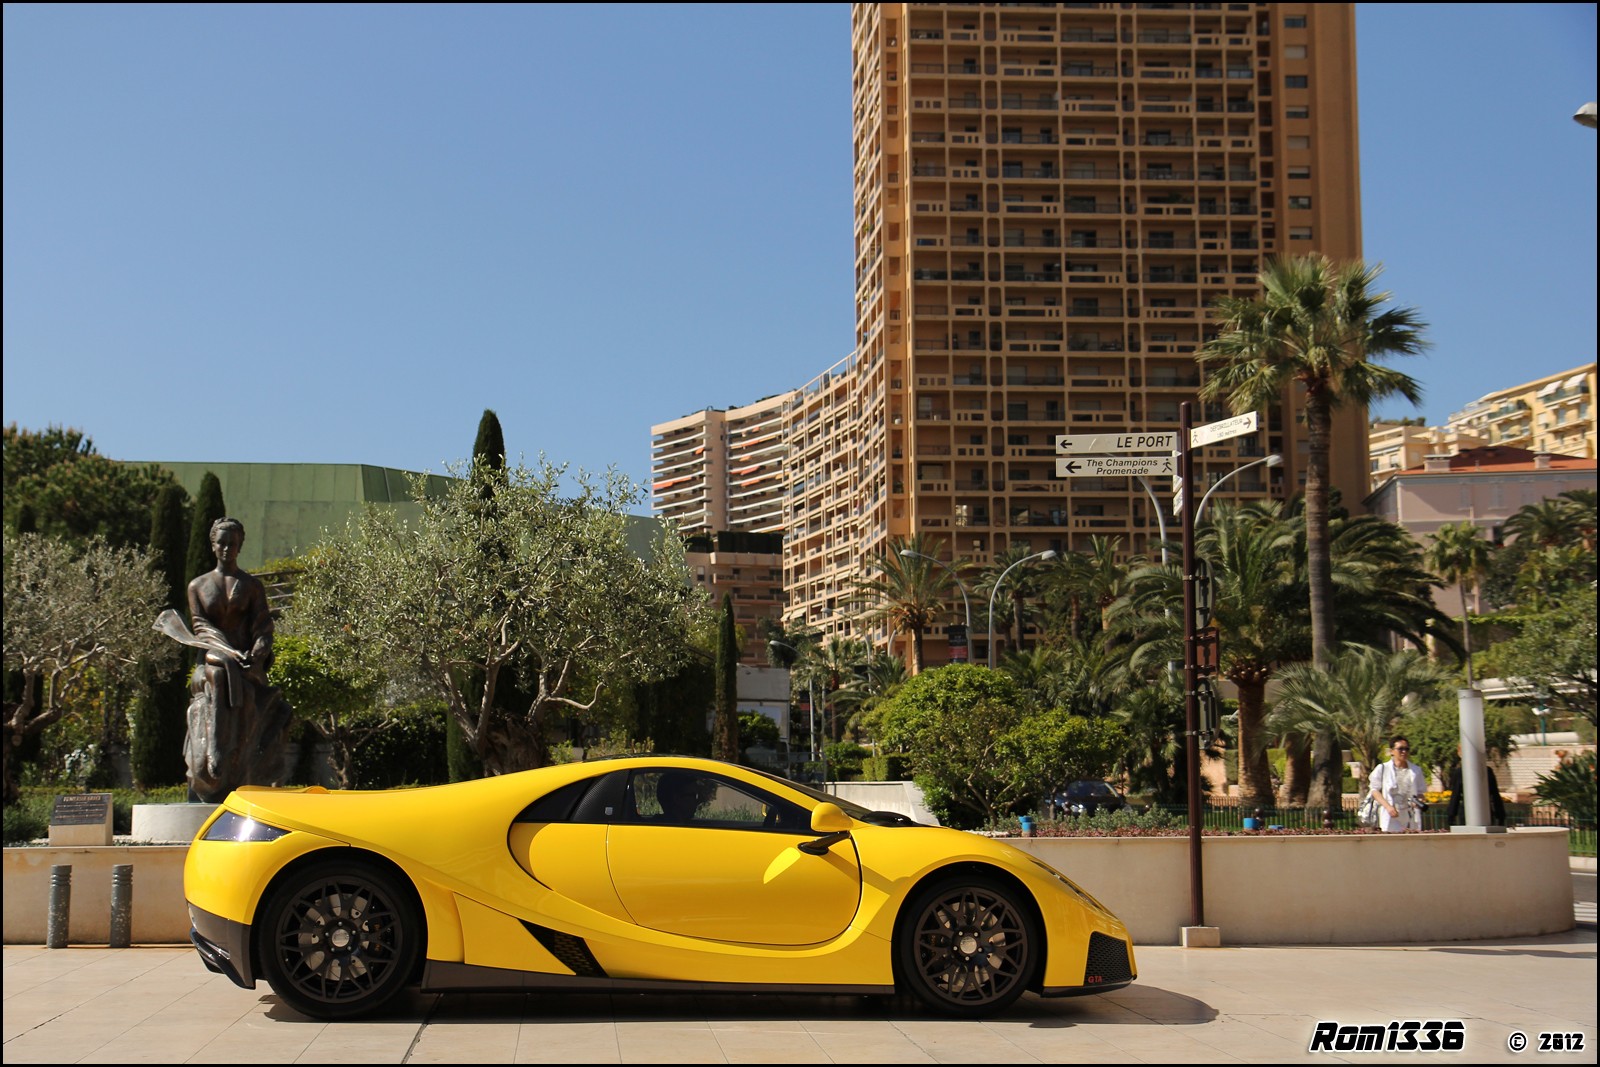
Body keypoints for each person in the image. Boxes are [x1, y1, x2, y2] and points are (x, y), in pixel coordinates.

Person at [184, 517, 292, 801]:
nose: (227, 548)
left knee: (240, 685)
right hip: (210, 660)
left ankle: (236, 764)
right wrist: (225, 650)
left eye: (232, 543)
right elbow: (201, 628)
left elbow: (263, 627)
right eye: (221, 542)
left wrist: (257, 652)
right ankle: (215, 749)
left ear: (240, 546)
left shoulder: (251, 585)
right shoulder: (198, 585)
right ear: (213, 545)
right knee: (218, 672)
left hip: (245, 665)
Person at [1368, 735, 1426, 833]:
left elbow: (1420, 792)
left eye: (1406, 749)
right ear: (1392, 751)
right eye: (1400, 749)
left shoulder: (1416, 770)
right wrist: (1388, 807)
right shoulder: (1382, 769)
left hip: (1409, 814)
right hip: (1390, 813)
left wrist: (1419, 800)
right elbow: (1374, 790)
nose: (1404, 752)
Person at [1445, 752, 1507, 827]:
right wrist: (1500, 815)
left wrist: (1451, 816)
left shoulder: (1460, 772)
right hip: (1485, 810)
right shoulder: (1487, 771)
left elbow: (1455, 795)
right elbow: (1495, 794)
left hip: (1469, 812)